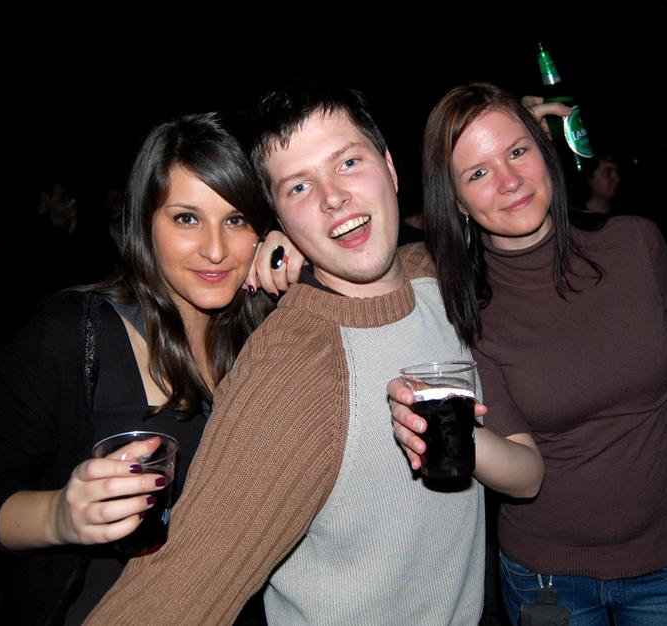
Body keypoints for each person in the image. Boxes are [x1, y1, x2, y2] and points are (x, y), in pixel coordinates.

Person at [87, 85, 542, 625]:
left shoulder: (435, 275)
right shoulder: (294, 372)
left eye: (348, 162)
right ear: (280, 217)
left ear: (390, 168)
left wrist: (532, 139)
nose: (333, 197)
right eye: (299, 186)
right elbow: (174, 591)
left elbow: (515, 226)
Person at [389, 83, 667, 626]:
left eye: (517, 151)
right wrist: (445, 429)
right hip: (548, 579)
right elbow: (525, 474)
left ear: (546, 152)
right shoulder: (467, 305)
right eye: (478, 173)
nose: (509, 180)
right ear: (456, 201)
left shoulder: (636, 244)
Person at [0, 112, 275, 625]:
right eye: (186, 218)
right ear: (145, 222)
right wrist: (62, 515)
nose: (215, 249)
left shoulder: (270, 336)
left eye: (236, 220)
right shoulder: (71, 335)